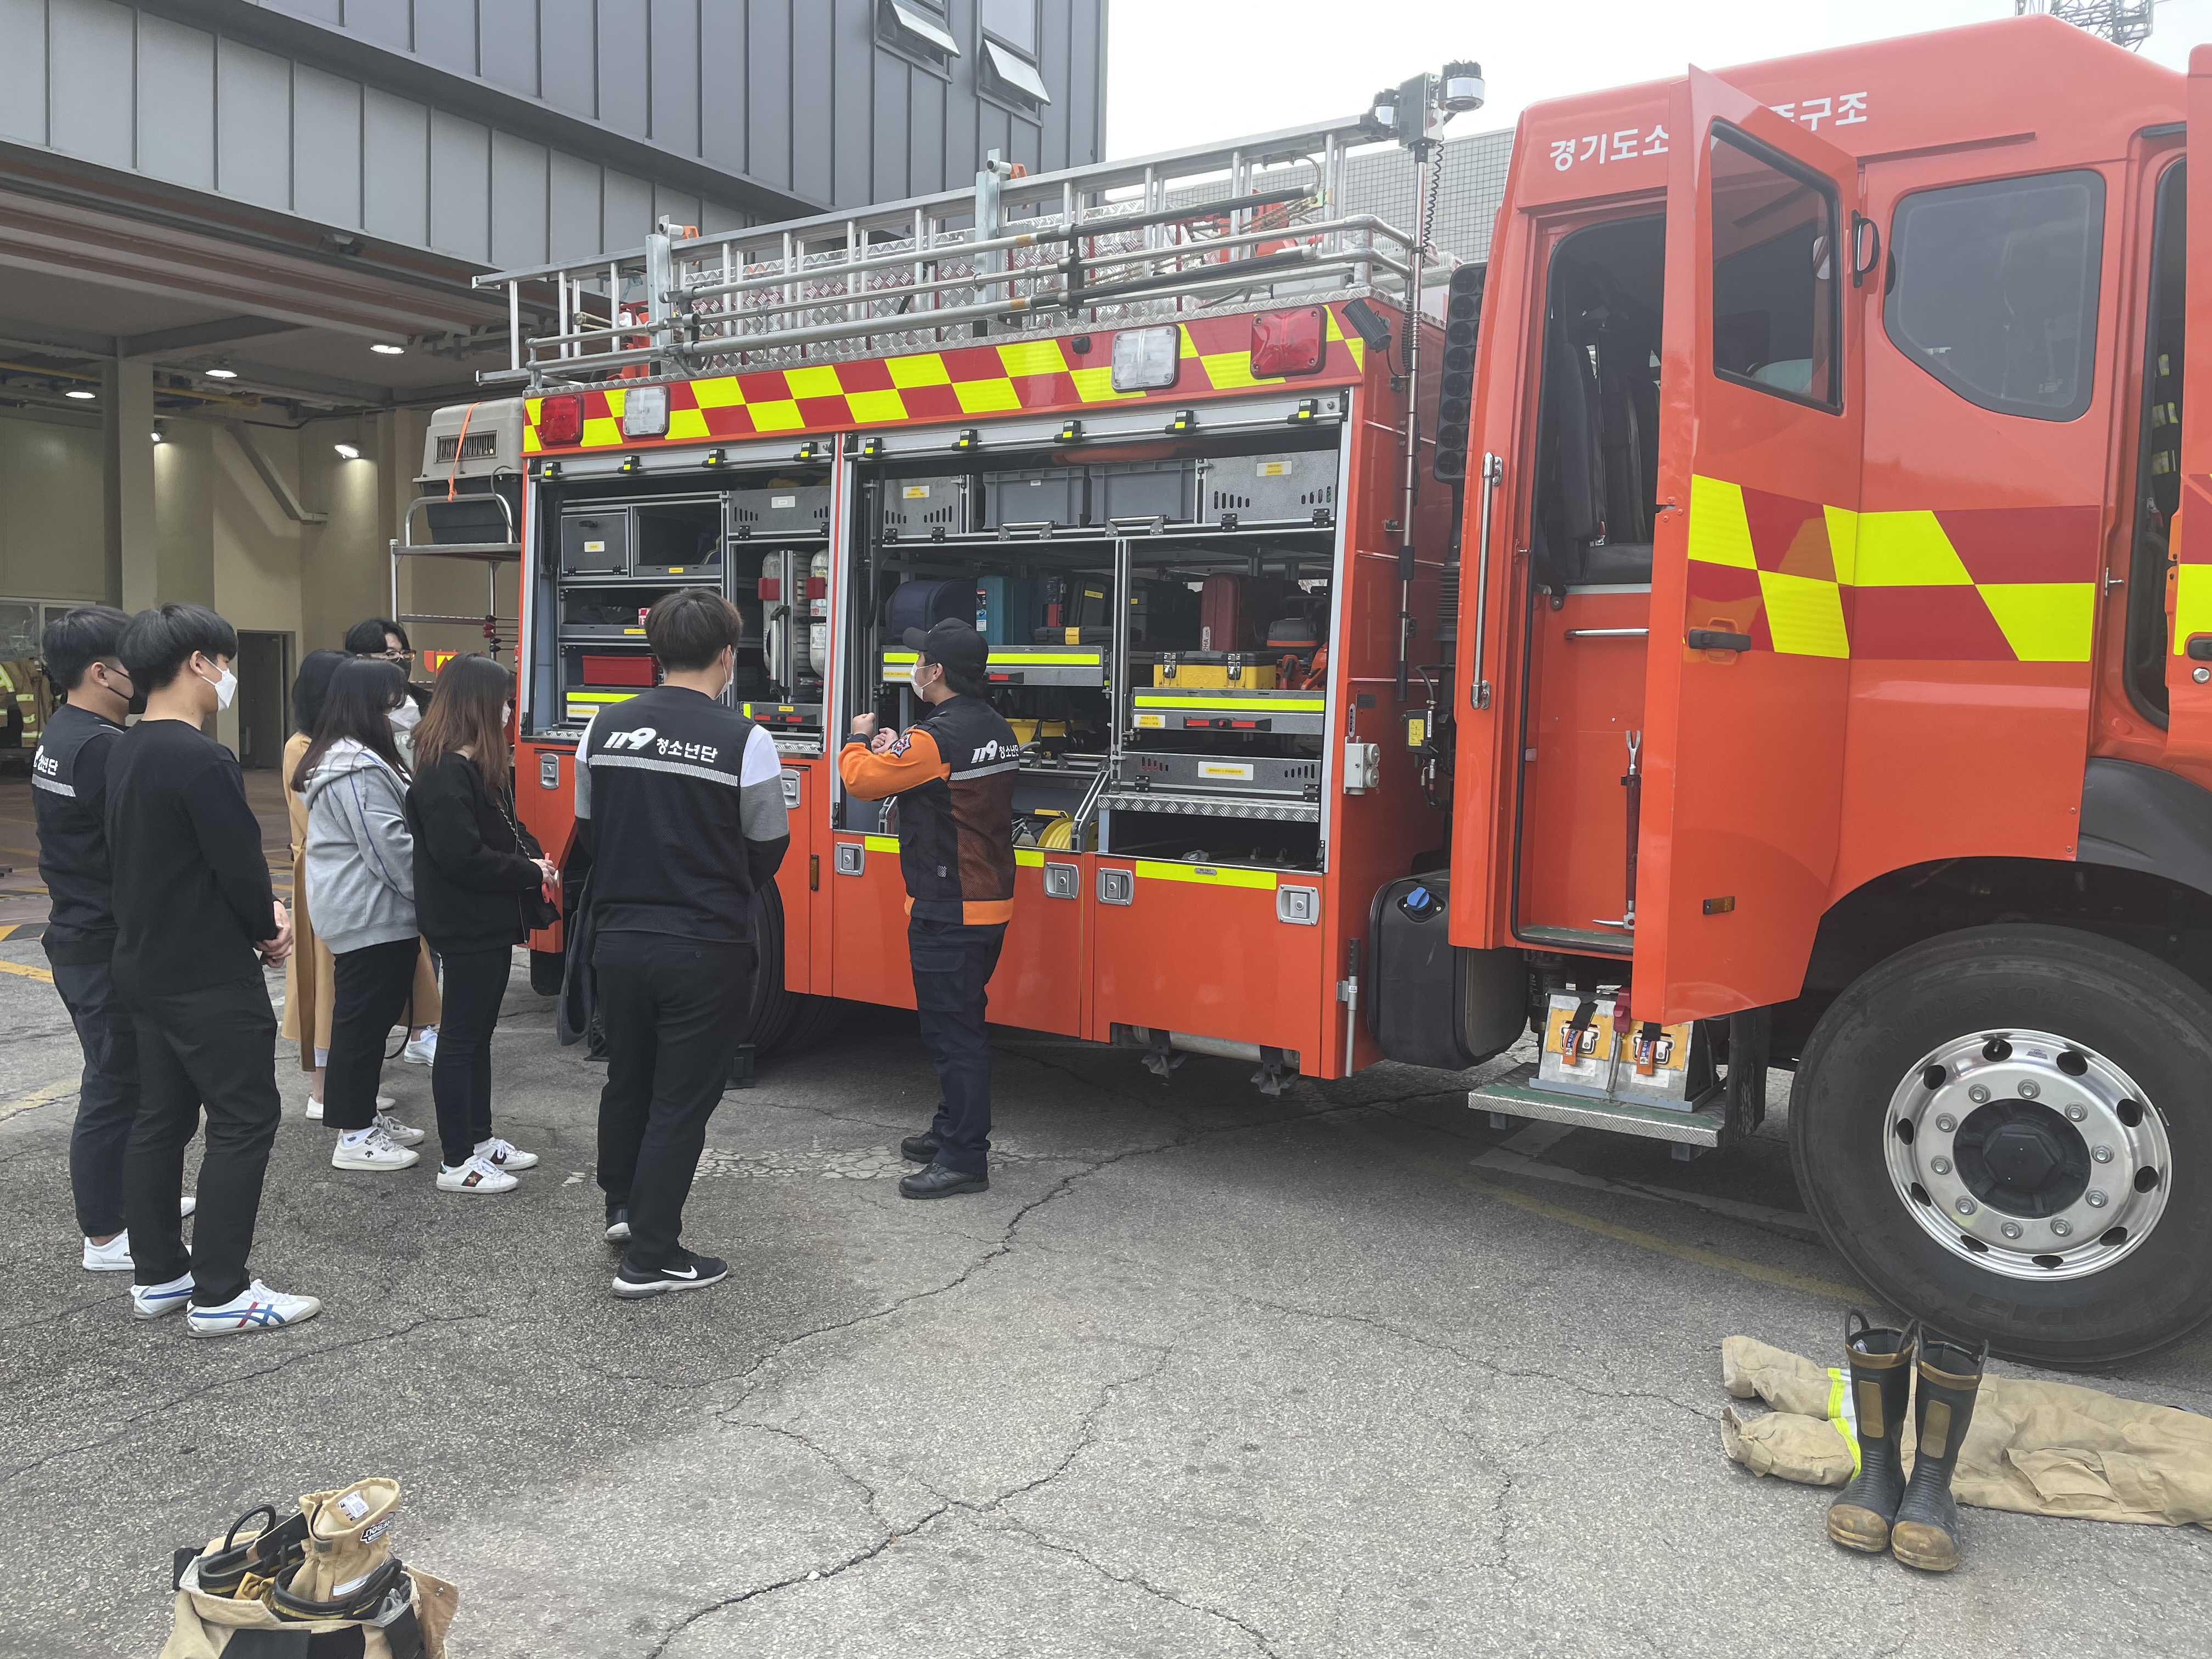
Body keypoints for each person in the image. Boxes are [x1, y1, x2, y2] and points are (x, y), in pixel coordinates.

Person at [106, 602, 317, 1336]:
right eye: (224, 662)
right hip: (206, 973)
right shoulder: (201, 758)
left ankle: (160, 1275)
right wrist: (270, 927)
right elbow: (237, 866)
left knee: (160, 1117)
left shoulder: (126, 748)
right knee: (244, 1117)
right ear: (198, 662)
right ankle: (222, 1290)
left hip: (145, 962)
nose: (227, 675)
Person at [574, 588, 788, 1298]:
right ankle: (653, 1257)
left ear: (656, 653)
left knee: (628, 1077)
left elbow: (589, 830)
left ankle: (624, 1208)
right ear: (728, 655)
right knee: (681, 1100)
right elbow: (768, 844)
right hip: (704, 944)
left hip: (619, 939)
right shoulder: (745, 739)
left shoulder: (603, 727)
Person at [33, 605, 196, 1273]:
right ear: (102, 672)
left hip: (80, 930)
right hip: (101, 938)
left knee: (123, 1076)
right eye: (135, 662)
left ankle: (134, 1199)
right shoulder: (103, 748)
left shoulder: (64, 733)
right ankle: (105, 1232)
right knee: (116, 1082)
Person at [839, 618, 1017, 1200]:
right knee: (958, 1023)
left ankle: (964, 1157)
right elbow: (933, 778)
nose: (915, 668)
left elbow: (862, 781)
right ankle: (948, 1129)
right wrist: (900, 750)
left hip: (950, 906)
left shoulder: (935, 738)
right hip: (987, 900)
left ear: (936, 672)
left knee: (952, 1033)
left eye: (920, 661)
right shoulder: (994, 726)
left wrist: (859, 739)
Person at [407, 653, 552, 1193]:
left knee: (477, 1036)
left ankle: (479, 1138)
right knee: (462, 1038)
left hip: (485, 921)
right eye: (505, 701)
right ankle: (456, 1161)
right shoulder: (444, 772)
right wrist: (528, 871)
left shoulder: (474, 766)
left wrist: (534, 861)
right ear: (479, 705)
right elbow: (461, 857)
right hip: (465, 922)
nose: (510, 711)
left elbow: (506, 831)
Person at [281, 650, 439, 1124]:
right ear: (369, 707)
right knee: (360, 1028)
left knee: (366, 1026)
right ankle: (355, 1132)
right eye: (394, 702)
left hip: (372, 913)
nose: (405, 710)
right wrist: (433, 896)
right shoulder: (356, 768)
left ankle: (363, 1118)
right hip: (370, 914)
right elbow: (390, 850)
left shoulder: (359, 759)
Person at [345, 617, 436, 1065]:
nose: (399, 663)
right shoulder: (351, 732)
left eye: (404, 655)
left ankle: (423, 1029)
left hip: (425, 823)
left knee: (427, 950)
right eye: (388, 656)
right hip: (386, 853)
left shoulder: (425, 703)